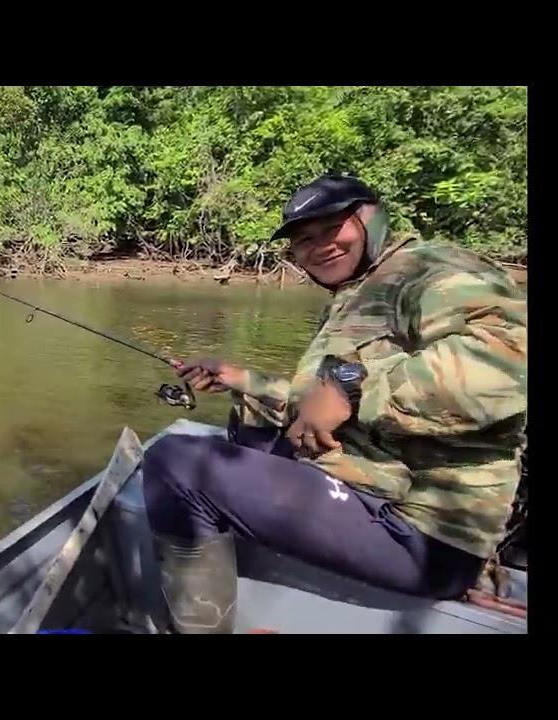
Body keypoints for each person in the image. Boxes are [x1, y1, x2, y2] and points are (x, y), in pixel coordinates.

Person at [140, 173, 528, 634]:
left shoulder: (430, 270)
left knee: (177, 463)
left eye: (332, 228)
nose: (319, 246)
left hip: (422, 532)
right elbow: (322, 401)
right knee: (250, 418)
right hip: (372, 483)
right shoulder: (358, 292)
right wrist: (242, 379)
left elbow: (509, 366)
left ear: (373, 218)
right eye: (304, 240)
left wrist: (353, 385)